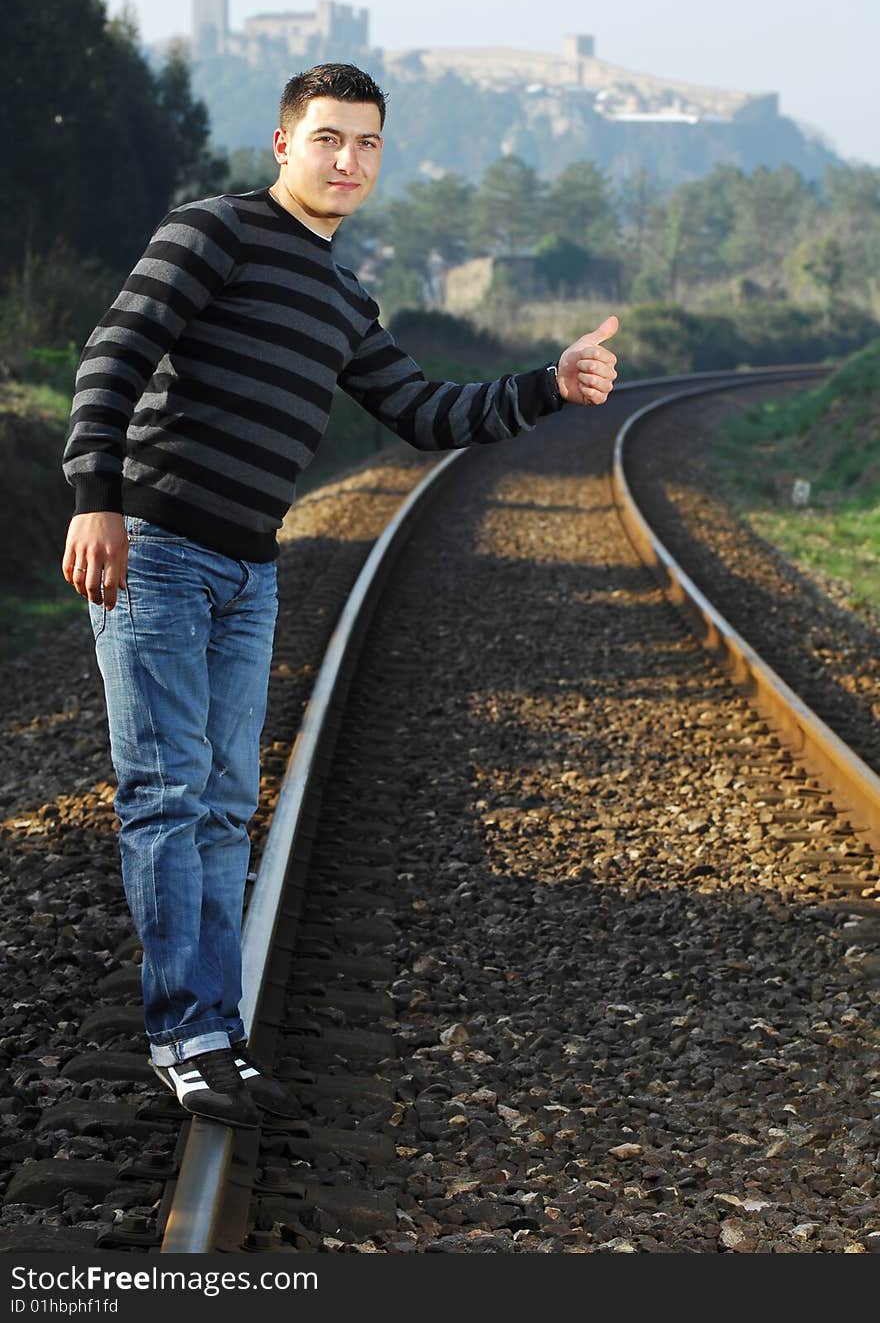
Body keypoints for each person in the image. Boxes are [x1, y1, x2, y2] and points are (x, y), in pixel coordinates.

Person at [61, 62, 619, 1130]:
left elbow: (421, 411)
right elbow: (113, 352)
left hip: (248, 568)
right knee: (170, 798)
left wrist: (547, 385)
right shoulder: (212, 232)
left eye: (365, 144)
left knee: (224, 806)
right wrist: (97, 499)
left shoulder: (341, 296)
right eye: (327, 140)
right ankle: (184, 1037)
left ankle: (212, 1033)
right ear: (284, 145)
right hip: (158, 549)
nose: (346, 162)